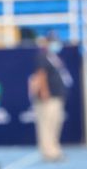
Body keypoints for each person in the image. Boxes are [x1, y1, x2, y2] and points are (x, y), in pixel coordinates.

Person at [31, 31, 72, 161]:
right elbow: (41, 74)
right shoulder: (42, 56)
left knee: (55, 123)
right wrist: (44, 92)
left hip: (57, 95)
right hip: (49, 96)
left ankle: (54, 148)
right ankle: (48, 151)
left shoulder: (53, 56)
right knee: (46, 124)